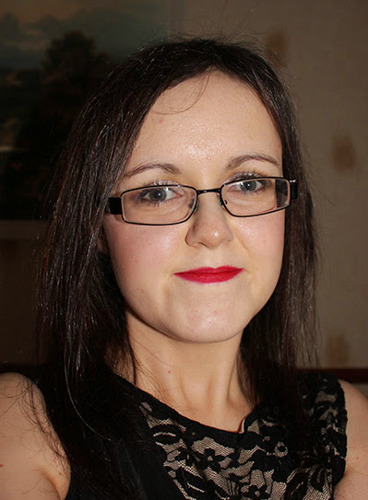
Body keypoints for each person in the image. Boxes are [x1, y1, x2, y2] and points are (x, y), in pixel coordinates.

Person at [1, 38, 367, 500]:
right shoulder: (24, 422)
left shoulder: (344, 424)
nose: (212, 231)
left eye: (249, 182)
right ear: (96, 228)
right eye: (157, 191)